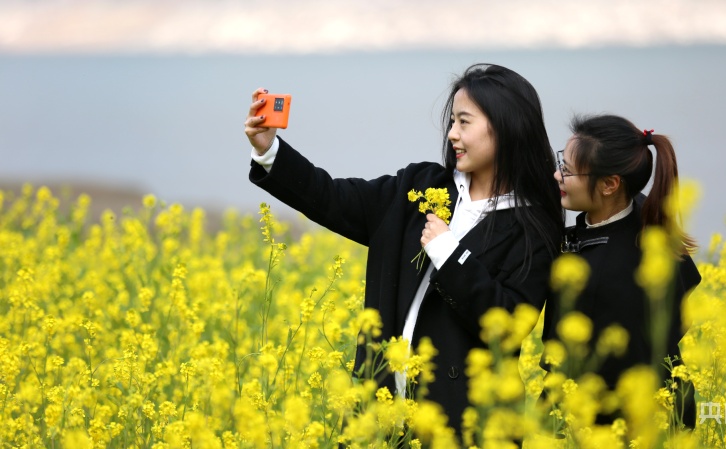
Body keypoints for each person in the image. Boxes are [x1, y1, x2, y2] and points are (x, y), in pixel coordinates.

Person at [243, 64, 563, 434]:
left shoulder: (531, 226)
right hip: (380, 420)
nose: (452, 134)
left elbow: (507, 325)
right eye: (452, 122)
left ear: (506, 128)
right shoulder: (421, 187)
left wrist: (449, 253)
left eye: (464, 122)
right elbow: (332, 198)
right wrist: (269, 151)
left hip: (463, 429)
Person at [540, 114, 701, 428]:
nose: (556, 175)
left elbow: (588, 375)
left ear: (610, 184)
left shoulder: (613, 276)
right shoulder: (647, 218)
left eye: (567, 170)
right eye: (562, 163)